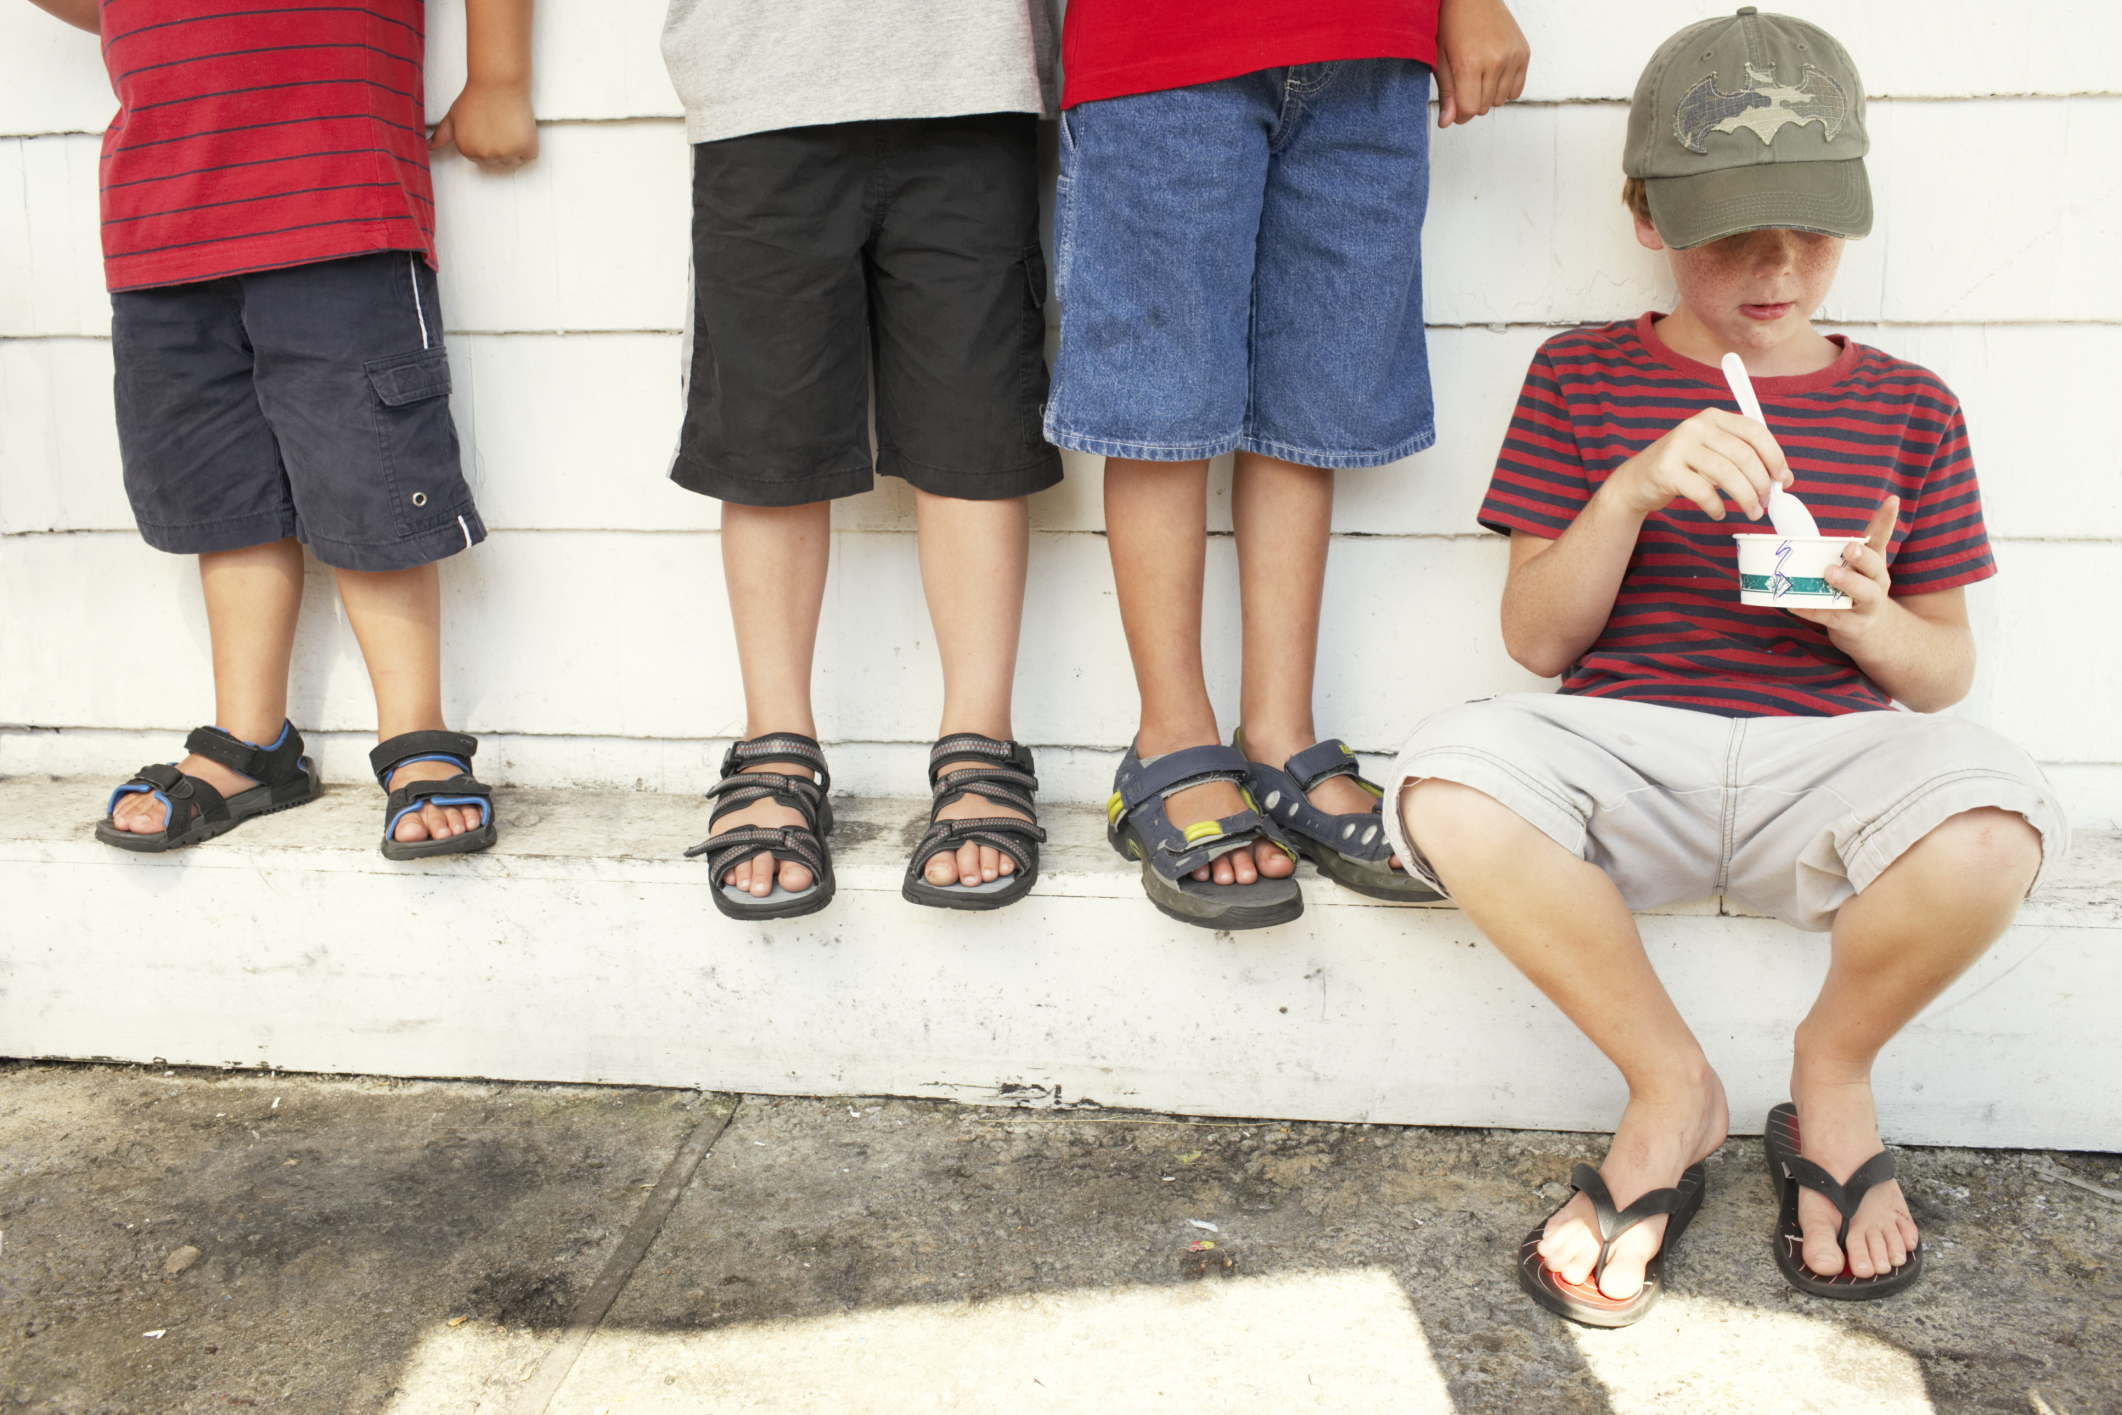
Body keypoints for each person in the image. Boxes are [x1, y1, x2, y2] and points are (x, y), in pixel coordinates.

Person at [1383, 8, 2067, 1326]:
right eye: (1732, 229)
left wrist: (1866, 620)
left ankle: (1834, 1070)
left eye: (1810, 225)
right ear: (1646, 215)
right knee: (1446, 783)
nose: (1775, 263)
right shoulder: (1580, 377)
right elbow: (1536, 640)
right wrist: (1629, 490)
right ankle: (1670, 1087)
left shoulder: (1908, 404)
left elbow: (1939, 675)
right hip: (1627, 747)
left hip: (1830, 760)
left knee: (1997, 819)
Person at [1046, 0, 1530, 929]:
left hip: (1370, 44)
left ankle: (1278, 734)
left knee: (1314, 403)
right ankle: (1170, 739)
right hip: (1166, 35)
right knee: (1163, 399)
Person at [30, 0, 539, 860]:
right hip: (163, 211)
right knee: (222, 496)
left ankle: (414, 733)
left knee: (369, 479)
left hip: (333, 190)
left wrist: (499, 75)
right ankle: (251, 740)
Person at [661, 1, 1063, 920]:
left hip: (970, 75)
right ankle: (775, 743)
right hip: (759, 77)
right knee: (767, 440)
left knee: (975, 432)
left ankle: (980, 743)